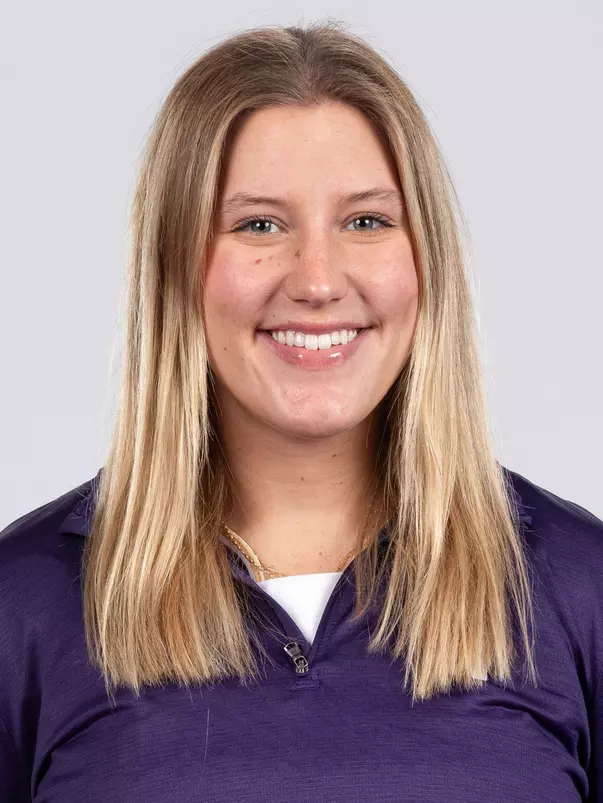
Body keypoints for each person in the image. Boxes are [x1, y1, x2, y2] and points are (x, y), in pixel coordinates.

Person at [1, 20, 602, 803]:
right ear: (175, 265)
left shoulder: (579, 587)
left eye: (366, 221)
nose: (317, 280)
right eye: (258, 223)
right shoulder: (24, 604)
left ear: (426, 258)